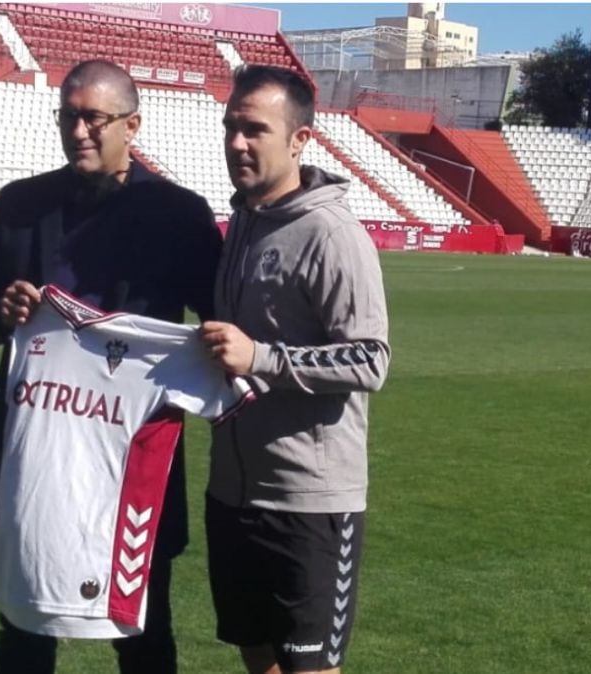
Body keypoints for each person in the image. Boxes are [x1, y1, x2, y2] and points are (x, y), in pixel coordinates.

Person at [0, 60, 221, 674]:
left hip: (133, 455)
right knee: (24, 630)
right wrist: (1, 312)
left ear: (132, 125)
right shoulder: (20, 205)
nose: (78, 131)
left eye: (94, 119)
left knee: (143, 631)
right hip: (34, 454)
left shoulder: (179, 214)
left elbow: (219, 316)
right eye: (68, 117)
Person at [200, 65, 391, 674]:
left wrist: (260, 357)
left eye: (255, 129)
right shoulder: (242, 224)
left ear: (300, 139)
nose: (237, 143)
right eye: (230, 127)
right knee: (258, 657)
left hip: (309, 501)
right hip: (231, 492)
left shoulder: (332, 234)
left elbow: (371, 358)